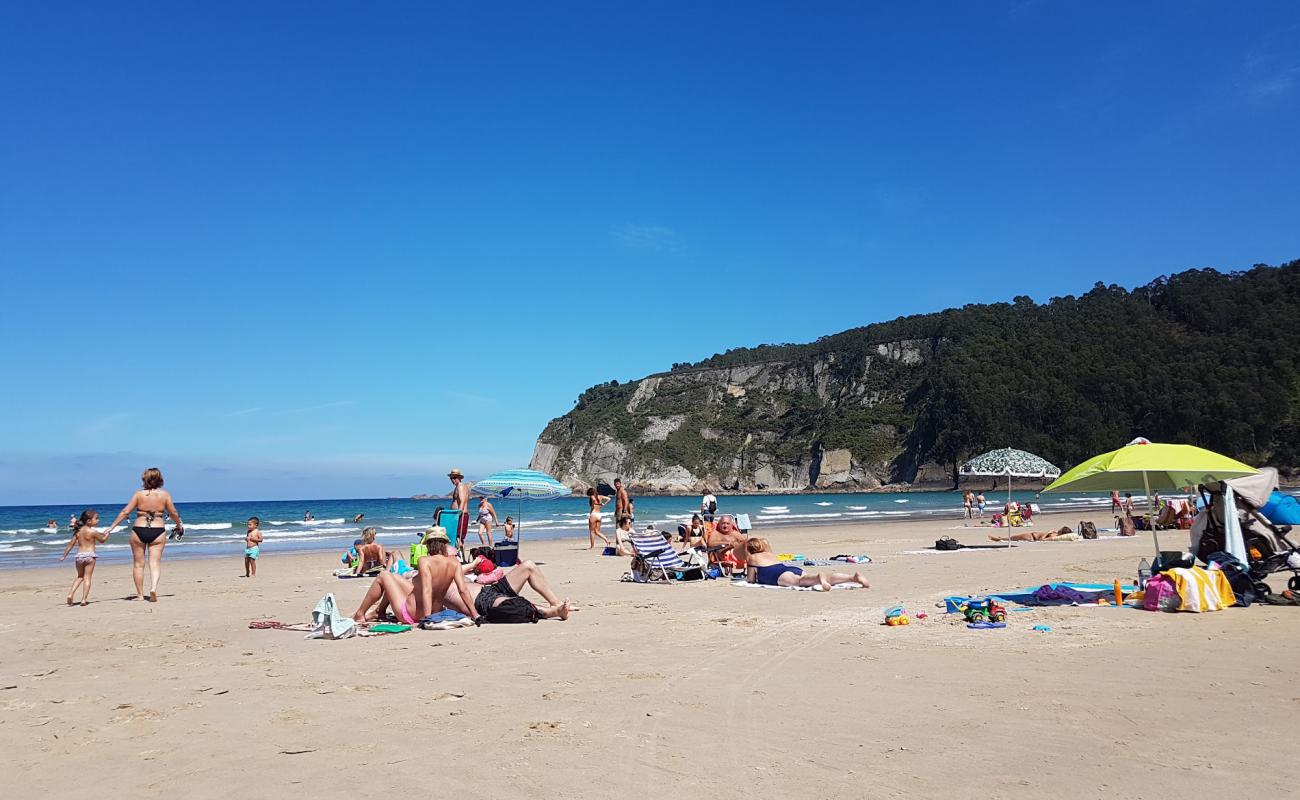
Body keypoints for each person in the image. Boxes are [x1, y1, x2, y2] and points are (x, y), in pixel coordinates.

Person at [102, 467, 184, 602]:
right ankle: (153, 588)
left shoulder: (138, 495)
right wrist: (178, 525)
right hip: (157, 530)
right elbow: (173, 512)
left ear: (144, 479)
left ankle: (140, 595)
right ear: (160, 480)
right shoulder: (164, 495)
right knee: (155, 563)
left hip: (139, 529)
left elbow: (125, 512)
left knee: (138, 564)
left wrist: (111, 527)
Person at [350, 545, 477, 625]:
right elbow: (463, 590)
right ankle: (380, 611)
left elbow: (427, 590)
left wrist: (427, 618)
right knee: (394, 578)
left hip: (411, 614)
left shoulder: (425, 560)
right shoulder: (454, 563)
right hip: (436, 611)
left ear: (428, 545)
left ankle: (360, 614)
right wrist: (475, 614)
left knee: (383, 575)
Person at [744, 538, 869, 589]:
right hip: (790, 568)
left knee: (800, 582)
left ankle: (819, 578)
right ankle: (852, 577)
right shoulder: (769, 554)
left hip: (779, 575)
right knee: (806, 578)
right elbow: (765, 541)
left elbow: (750, 580)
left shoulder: (752, 558)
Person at [60, 509, 108, 606]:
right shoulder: (93, 531)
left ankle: (70, 594)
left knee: (80, 576)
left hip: (79, 556)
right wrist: (107, 534)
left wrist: (64, 556)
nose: (98, 520)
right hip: (90, 556)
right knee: (87, 578)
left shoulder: (78, 531)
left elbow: (70, 544)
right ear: (89, 521)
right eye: (96, 518)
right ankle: (83, 600)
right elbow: (102, 540)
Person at [447, 468, 471, 552]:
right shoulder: (458, 486)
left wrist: (459, 513)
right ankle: (462, 558)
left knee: (458, 538)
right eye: (451, 478)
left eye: (454, 478)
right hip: (458, 515)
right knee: (458, 539)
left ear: (459, 478)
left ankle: (459, 558)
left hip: (461, 515)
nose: (453, 480)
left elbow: (463, 500)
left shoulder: (460, 486)